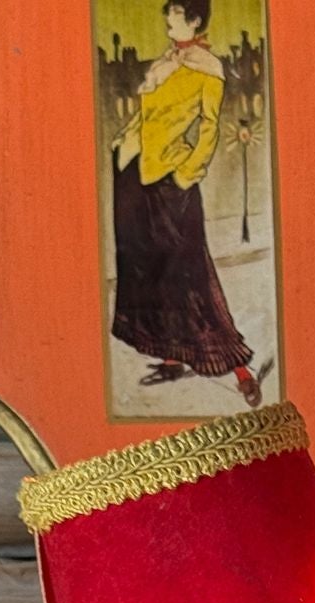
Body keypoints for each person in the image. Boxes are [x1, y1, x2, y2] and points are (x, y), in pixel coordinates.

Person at [109, 0, 265, 405]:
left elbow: (210, 128)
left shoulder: (207, 69)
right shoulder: (166, 63)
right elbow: (148, 116)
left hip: (171, 178)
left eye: (174, 16)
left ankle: (239, 368)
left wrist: (187, 173)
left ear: (194, 20)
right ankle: (170, 355)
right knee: (146, 267)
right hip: (134, 171)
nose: (167, 22)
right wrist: (123, 140)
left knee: (190, 273)